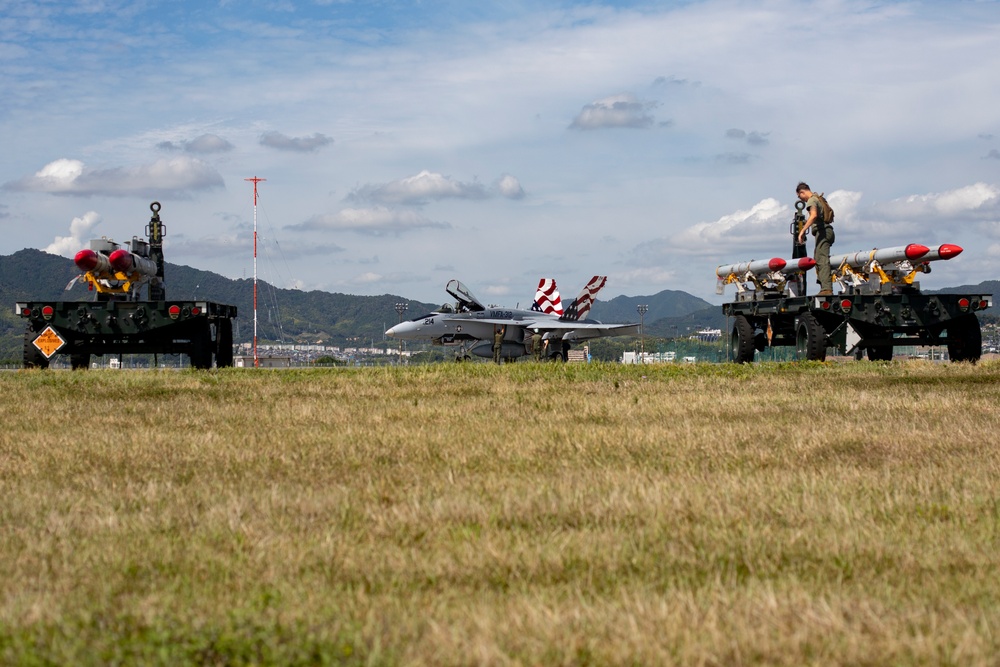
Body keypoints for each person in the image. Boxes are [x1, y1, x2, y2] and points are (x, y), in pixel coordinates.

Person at [796, 182, 836, 295]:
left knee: (821, 259)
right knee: (818, 258)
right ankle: (824, 286)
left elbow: (813, 215)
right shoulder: (819, 198)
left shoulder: (812, 200)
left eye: (800, 196)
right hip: (826, 232)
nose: (802, 199)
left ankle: (826, 289)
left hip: (823, 232)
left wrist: (802, 231)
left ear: (802, 192)